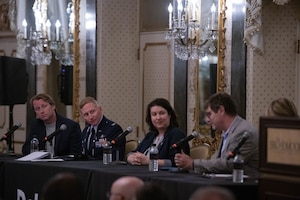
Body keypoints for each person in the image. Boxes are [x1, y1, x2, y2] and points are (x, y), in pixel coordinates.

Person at [174, 92, 259, 178]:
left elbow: (229, 163)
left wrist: (192, 163)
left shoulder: (242, 132)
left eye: (209, 114)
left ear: (221, 110)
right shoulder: (228, 131)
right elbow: (219, 161)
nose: (207, 120)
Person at [126, 98, 190, 167]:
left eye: (162, 113)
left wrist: (149, 162)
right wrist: (130, 158)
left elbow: (175, 163)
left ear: (170, 115)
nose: (158, 118)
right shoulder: (150, 135)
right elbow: (135, 152)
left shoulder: (176, 134)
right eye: (154, 114)